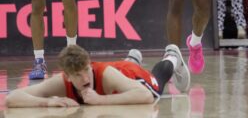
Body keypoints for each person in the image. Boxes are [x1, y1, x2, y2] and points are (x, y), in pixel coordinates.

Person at [5, 44, 190, 107]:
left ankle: (172, 57)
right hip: (117, 74)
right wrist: (47, 102)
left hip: (127, 74)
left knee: (157, 83)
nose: (85, 78)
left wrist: (100, 100)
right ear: (68, 76)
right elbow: (13, 98)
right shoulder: (61, 81)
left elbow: (146, 96)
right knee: (119, 76)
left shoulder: (104, 74)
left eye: (86, 70)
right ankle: (132, 58)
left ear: (89, 64)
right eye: (78, 75)